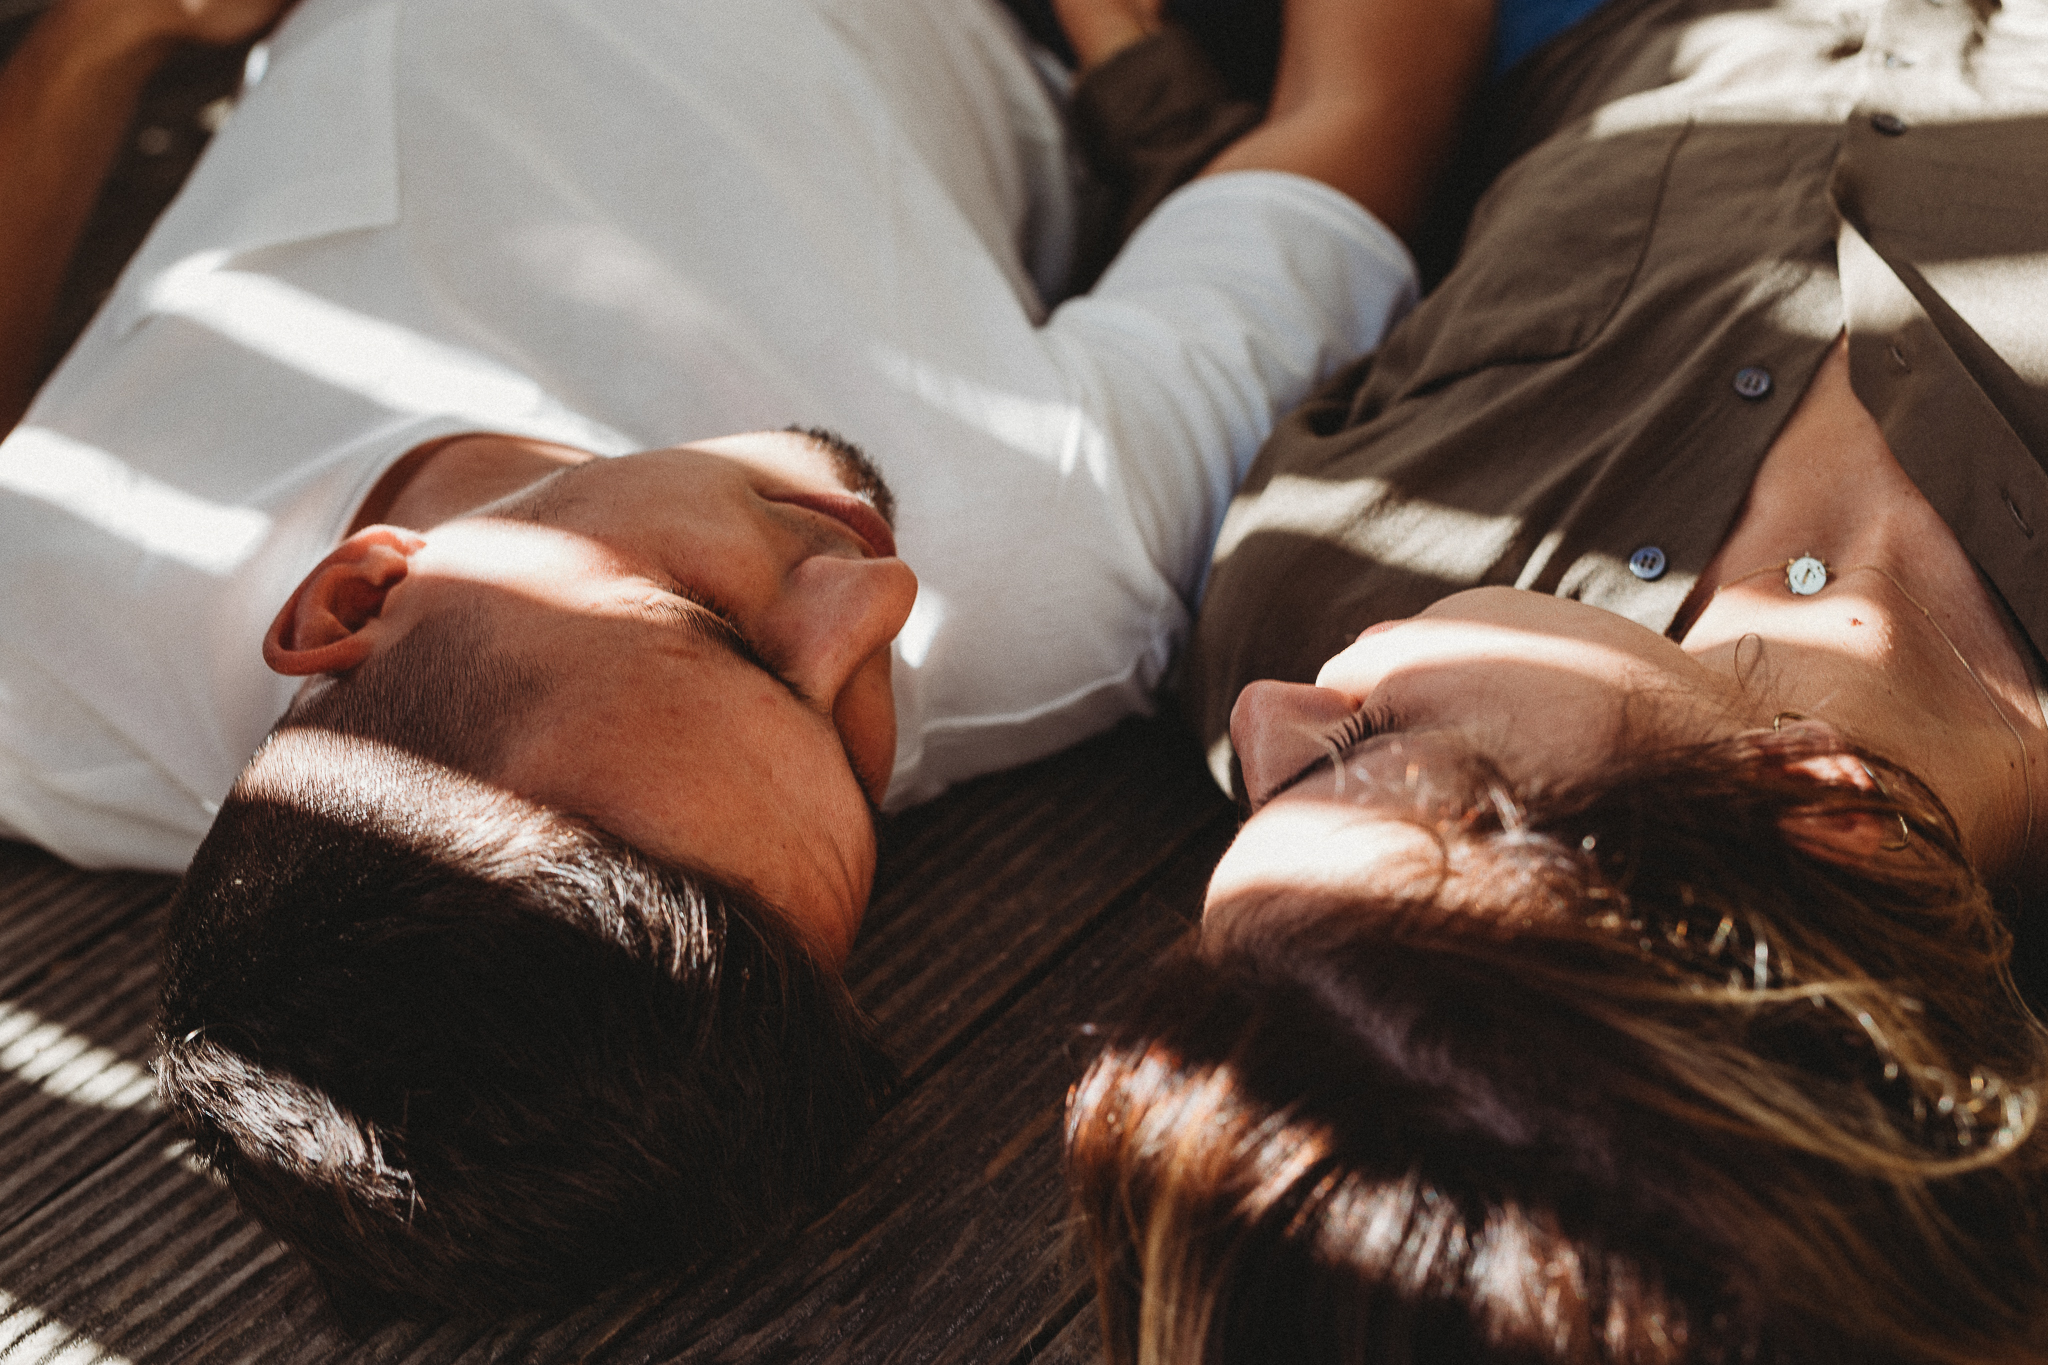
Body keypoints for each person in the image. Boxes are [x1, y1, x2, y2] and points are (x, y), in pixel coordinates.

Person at [0, 0, 1486, 1316]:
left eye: (706, 627)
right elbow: (1356, 106)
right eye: (854, 739)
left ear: (356, 597)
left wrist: (97, 40)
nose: (881, 594)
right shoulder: (1046, 563)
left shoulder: (52, 693)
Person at [1063, 0, 2048, 1361]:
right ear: (1818, 813)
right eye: (1361, 750)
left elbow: (1264, 234)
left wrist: (1115, 39)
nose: (1261, 714)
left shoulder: (1307, 584)